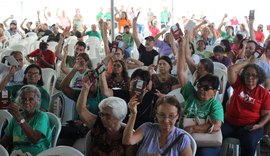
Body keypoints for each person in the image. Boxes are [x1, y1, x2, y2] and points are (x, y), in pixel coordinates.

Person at [178, 35, 223, 156]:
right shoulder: (191, 93)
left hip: (206, 141)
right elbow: (181, 72)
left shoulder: (215, 104)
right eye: (200, 86)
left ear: (214, 91)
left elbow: (216, 125)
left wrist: (193, 129)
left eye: (206, 88)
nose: (201, 90)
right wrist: (182, 47)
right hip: (185, 137)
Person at [76, 79, 137, 155]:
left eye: (107, 115)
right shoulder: (98, 125)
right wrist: (85, 88)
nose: (103, 118)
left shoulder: (128, 135)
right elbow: (81, 110)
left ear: (119, 116)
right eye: (101, 114)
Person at [222, 61, 270, 156]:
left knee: (249, 141)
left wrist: (259, 125)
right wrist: (248, 61)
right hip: (230, 123)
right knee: (215, 134)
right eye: (247, 74)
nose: (250, 77)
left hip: (250, 127)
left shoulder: (263, 93)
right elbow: (231, 69)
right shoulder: (238, 85)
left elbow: (267, 114)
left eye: (254, 75)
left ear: (259, 77)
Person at [123, 96, 192, 155]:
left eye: (171, 116)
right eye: (162, 115)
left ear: (178, 116)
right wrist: (133, 114)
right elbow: (127, 141)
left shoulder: (182, 139)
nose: (166, 120)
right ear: (156, 114)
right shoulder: (147, 128)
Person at [0, 85, 52, 156]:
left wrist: (19, 118)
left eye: (31, 99)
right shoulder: (16, 117)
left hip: (38, 153)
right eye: (23, 99)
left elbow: (34, 139)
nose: (26, 102)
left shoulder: (42, 116)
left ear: (37, 101)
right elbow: (5, 141)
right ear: (19, 101)